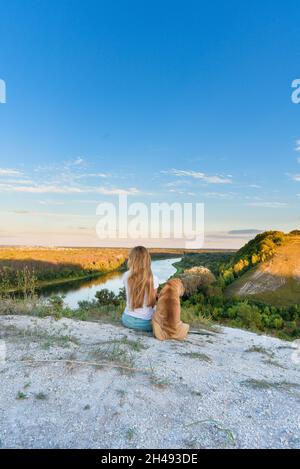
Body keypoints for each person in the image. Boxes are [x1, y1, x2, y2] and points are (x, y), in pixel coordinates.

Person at [122, 246, 159, 332]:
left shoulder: (126, 276)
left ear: (132, 260)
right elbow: (153, 302)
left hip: (127, 320)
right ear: (147, 260)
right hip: (146, 325)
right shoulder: (154, 278)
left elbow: (129, 296)